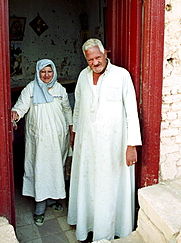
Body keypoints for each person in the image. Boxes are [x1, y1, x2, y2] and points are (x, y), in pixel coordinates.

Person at [67, 38, 142, 242]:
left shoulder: (121, 75)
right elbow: (79, 108)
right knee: (89, 184)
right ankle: (88, 227)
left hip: (114, 145)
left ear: (106, 53)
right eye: (90, 59)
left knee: (109, 187)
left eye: (97, 57)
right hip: (88, 143)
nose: (94, 63)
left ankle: (110, 230)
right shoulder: (83, 76)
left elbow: (131, 112)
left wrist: (132, 145)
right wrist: (75, 134)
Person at [11, 59, 73, 227]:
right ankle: (40, 206)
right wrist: (15, 113)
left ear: (54, 73)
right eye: (43, 72)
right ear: (38, 73)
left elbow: (67, 110)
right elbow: (21, 106)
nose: (46, 75)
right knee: (40, 169)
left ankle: (53, 199)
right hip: (39, 139)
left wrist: (72, 128)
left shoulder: (59, 89)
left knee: (56, 168)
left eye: (49, 72)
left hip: (59, 138)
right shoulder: (31, 88)